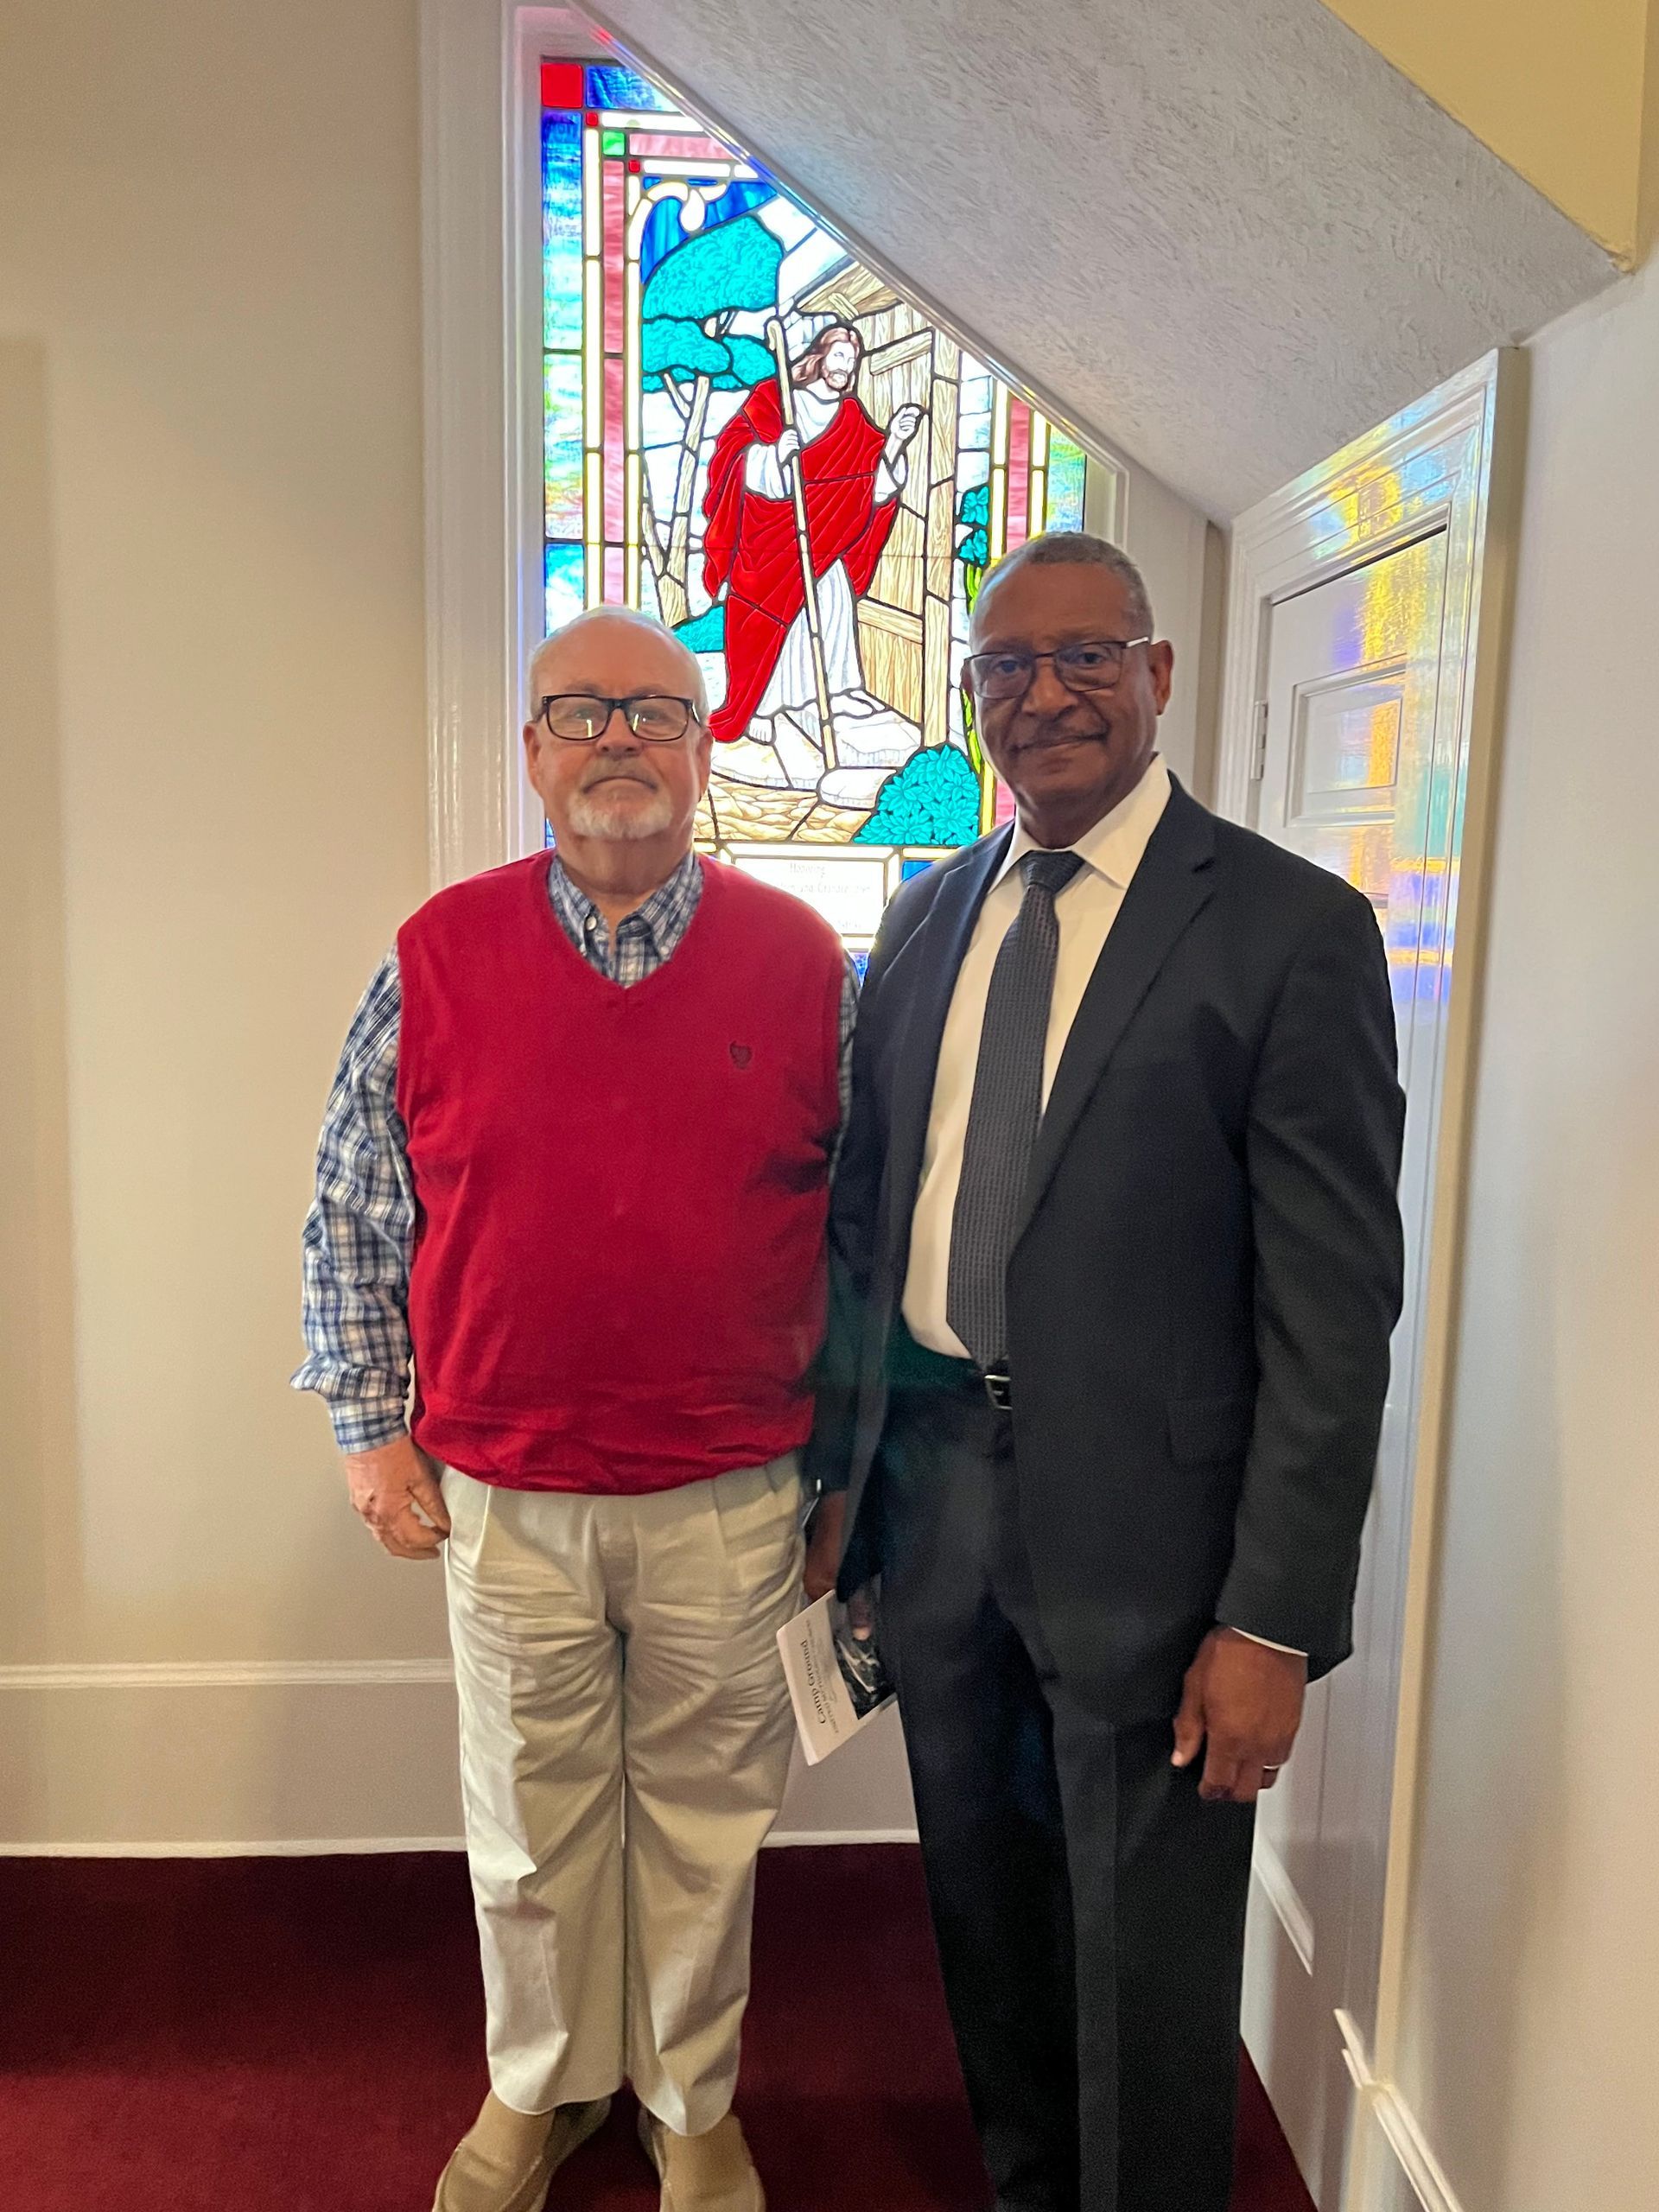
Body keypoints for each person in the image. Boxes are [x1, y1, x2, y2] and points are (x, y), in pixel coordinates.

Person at [804, 533, 1406, 2212]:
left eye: (1086, 656)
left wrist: (1275, 1617)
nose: (1044, 692)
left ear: (1154, 674)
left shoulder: (1290, 930)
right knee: (985, 1918)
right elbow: (873, 1222)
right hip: (932, 1517)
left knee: (1145, 1968)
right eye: (1008, 664)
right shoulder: (922, 918)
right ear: (977, 695)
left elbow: (1333, 1310)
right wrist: (837, 1486)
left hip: (1162, 1556)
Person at [293, 607, 856, 2212]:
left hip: (735, 1487)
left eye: (656, 710)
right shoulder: (437, 954)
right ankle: (540, 2088)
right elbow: (356, 1206)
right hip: (506, 1490)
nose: (621, 737)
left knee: (705, 1828)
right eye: (582, 711)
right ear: (532, 753)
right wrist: (365, 1421)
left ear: (703, 746)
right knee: (529, 1828)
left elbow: (862, 1227)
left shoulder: (805, 964)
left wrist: (850, 1473)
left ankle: (690, 2104)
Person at [702, 321, 922, 747]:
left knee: (833, 605)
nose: (846, 367)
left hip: (825, 543)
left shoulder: (853, 418)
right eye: (840, 356)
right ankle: (761, 704)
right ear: (819, 356)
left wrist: (893, 442)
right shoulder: (775, 399)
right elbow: (729, 459)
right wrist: (770, 457)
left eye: (852, 361)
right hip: (769, 542)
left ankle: (835, 693)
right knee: (763, 623)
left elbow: (872, 485)